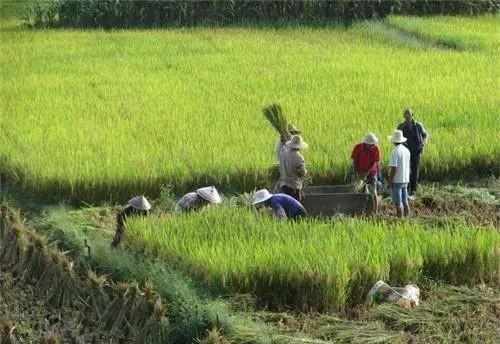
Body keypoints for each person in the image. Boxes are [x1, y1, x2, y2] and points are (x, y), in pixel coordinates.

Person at [397, 108, 429, 195]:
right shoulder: (400, 126)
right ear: (403, 116)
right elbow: (397, 138)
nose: (407, 115)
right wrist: (402, 143)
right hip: (404, 152)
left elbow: (425, 135)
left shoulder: (418, 125)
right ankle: (406, 190)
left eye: (408, 114)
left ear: (412, 115)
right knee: (406, 171)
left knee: (415, 171)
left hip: (416, 151)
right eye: (405, 114)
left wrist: (422, 144)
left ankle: (413, 191)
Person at [351, 132, 381, 213]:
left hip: (371, 172)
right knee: (360, 190)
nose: (372, 145)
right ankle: (362, 209)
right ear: (366, 143)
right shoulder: (358, 147)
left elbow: (374, 163)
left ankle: (375, 211)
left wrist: (366, 173)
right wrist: (356, 172)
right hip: (359, 170)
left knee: (373, 191)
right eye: (371, 144)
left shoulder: (376, 149)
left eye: (373, 144)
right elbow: (354, 161)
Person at [387, 130, 411, 218]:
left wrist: (390, 180)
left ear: (393, 141)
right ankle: (407, 219)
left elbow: (394, 168)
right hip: (405, 179)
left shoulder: (395, 152)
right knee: (405, 202)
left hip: (397, 180)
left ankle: (399, 220)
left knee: (398, 203)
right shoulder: (406, 150)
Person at [277, 134, 308, 201]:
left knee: (286, 205)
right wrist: (305, 171)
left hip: (283, 184)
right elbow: (303, 173)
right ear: (299, 146)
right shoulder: (299, 157)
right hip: (293, 186)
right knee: (294, 206)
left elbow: (280, 167)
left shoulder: (283, 154)